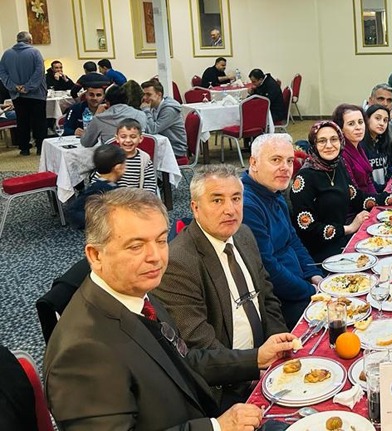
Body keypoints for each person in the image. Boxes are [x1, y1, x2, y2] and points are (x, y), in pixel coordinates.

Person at [44, 187, 298, 431]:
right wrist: (217, 426)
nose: (156, 256)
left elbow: (183, 361)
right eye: (136, 246)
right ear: (95, 255)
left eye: (161, 240)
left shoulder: (140, 295)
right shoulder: (81, 352)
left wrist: (256, 357)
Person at [154, 164, 290, 406]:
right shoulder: (178, 263)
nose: (230, 210)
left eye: (236, 198)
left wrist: (279, 349)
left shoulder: (243, 235)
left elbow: (267, 298)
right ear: (195, 208)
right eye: (217, 200)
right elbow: (200, 347)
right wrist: (253, 371)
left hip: (265, 363)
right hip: (226, 387)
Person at [290, 121, 392, 262]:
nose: (329, 145)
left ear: (341, 141)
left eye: (334, 139)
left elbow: (356, 197)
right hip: (322, 253)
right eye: (322, 141)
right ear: (314, 144)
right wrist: (349, 228)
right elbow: (307, 228)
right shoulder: (305, 178)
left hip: (343, 240)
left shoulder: (338, 165)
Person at [241, 134, 324, 328]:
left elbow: (292, 240)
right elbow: (268, 268)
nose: (285, 168)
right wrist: (310, 290)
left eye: (289, 161)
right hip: (278, 300)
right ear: (253, 163)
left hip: (298, 283)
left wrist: (314, 274)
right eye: (275, 160)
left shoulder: (273, 192)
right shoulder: (247, 205)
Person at [0, 31, 46, 155]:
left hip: (17, 95)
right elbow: (39, 72)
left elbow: (3, 74)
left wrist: (14, 87)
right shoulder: (35, 52)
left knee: (22, 121)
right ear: (30, 40)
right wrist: (28, 87)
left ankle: (24, 148)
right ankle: (41, 147)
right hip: (36, 94)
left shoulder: (6, 54)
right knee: (39, 121)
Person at [91, 119, 157, 195]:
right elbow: (98, 179)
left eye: (133, 137)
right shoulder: (110, 156)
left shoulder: (145, 159)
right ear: (117, 138)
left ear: (140, 139)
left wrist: (144, 199)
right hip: (112, 199)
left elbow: (150, 184)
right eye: (123, 137)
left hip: (137, 200)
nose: (128, 140)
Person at [66, 144, 125, 229]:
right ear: (118, 168)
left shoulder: (101, 184)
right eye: (124, 164)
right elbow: (74, 210)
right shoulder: (106, 189)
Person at [81, 85, 147, 147]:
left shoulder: (99, 119)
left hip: (111, 157)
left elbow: (86, 143)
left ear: (107, 102)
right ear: (127, 100)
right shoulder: (140, 114)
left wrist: (97, 114)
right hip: (137, 156)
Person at [332, 104, 375, 195]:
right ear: (340, 129)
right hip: (357, 205)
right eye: (351, 124)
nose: (358, 127)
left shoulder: (358, 147)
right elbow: (354, 192)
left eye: (360, 122)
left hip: (368, 200)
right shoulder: (341, 154)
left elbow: (368, 181)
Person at [141, 79, 188, 157]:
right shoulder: (153, 106)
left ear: (159, 94)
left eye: (148, 94)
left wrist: (146, 110)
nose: (145, 98)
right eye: (144, 94)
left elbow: (152, 130)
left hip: (175, 148)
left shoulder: (169, 109)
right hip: (162, 145)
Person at [361, 104, 392, 192]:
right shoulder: (361, 145)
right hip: (372, 195)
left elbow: (387, 168)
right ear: (367, 119)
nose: (382, 123)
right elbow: (366, 180)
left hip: (384, 190)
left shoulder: (382, 142)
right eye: (377, 118)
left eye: (385, 120)